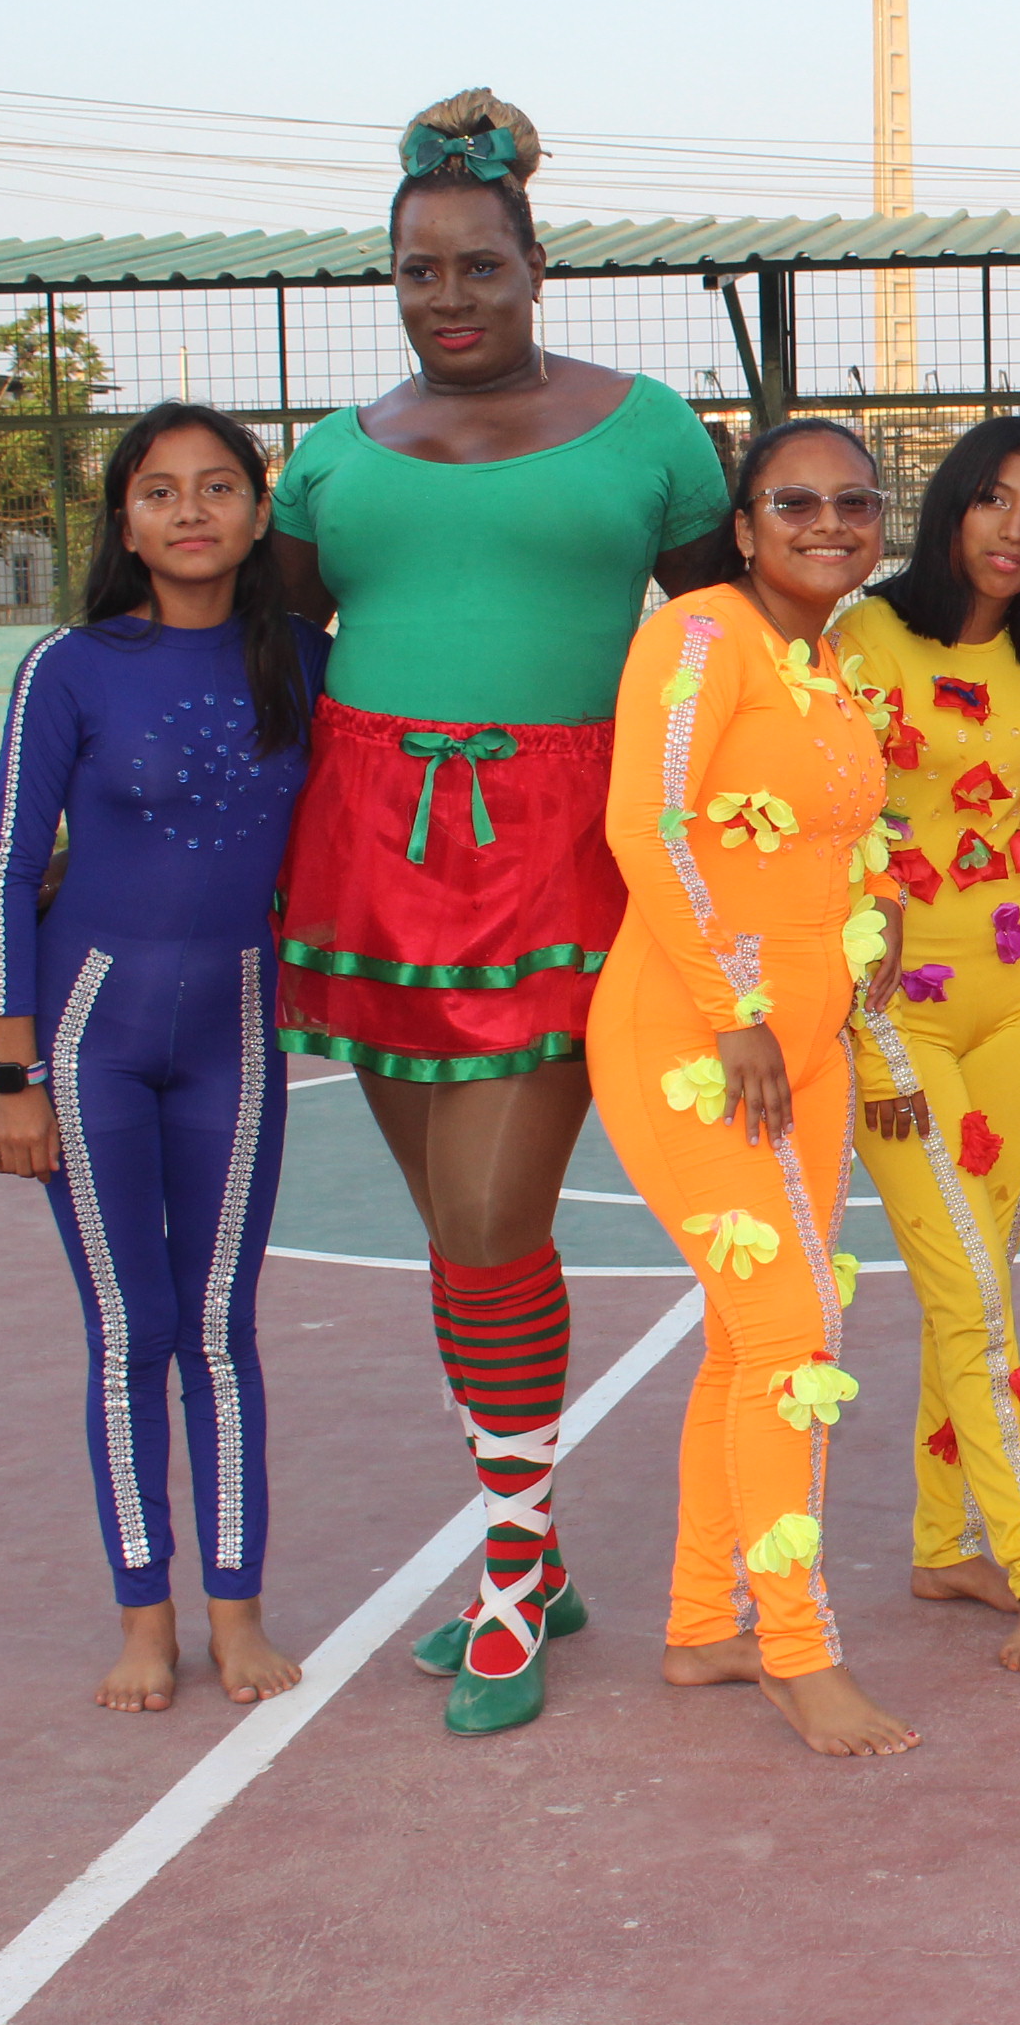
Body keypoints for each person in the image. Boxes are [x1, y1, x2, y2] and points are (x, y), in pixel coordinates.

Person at [266, 90, 735, 1734]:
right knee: (461, 1236)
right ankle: (537, 1537)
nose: (448, 295)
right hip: (369, 864)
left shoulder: (651, 430)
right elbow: (262, 663)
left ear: (537, 266)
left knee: (487, 1225)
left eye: (479, 264)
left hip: (568, 859)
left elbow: (727, 650)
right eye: (419, 270)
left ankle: (517, 1566)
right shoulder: (332, 453)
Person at [0, 404, 330, 1712]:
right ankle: (145, 1617)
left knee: (221, 1329)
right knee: (132, 1329)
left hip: (236, 1032)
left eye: (219, 486)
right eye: (160, 490)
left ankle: (237, 1612)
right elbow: (9, 867)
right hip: (91, 1041)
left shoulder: (307, 661)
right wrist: (12, 1076)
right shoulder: (70, 668)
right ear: (125, 522)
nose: (191, 510)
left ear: (258, 513)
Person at [593, 418, 915, 1755]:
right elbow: (647, 825)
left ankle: (698, 1625)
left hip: (809, 1048)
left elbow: (835, 830)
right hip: (699, 1042)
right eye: (795, 502)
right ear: (742, 525)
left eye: (855, 501)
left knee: (751, 1338)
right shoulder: (700, 636)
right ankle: (796, 1650)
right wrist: (736, 1012)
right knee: (793, 1338)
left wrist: (874, 909)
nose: (829, 523)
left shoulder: (827, 661)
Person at [830, 415, 1020, 1676]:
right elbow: (829, 832)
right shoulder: (864, 639)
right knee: (975, 1297)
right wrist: (857, 1025)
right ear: (950, 506)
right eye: (995, 500)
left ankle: (943, 1544)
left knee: (981, 1279)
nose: (1015, 531)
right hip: (897, 1009)